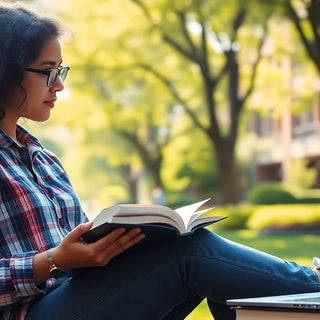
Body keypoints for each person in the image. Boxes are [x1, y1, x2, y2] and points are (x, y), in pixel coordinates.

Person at [0, 2, 319, 320]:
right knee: (189, 253)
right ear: (6, 69)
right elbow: (60, 259)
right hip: (30, 312)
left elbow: (79, 248)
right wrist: (54, 261)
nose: (59, 84)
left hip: (78, 297)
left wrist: (117, 243)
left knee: (230, 283)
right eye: (47, 71)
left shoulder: (44, 160)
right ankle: (313, 285)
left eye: (60, 71)